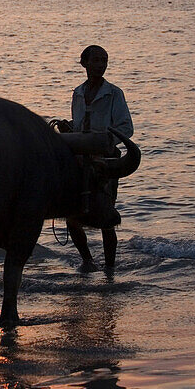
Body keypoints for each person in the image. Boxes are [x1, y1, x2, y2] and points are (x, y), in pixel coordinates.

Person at [66, 45, 133, 270]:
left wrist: (105, 142)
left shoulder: (114, 93)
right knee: (72, 218)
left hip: (104, 163)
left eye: (104, 60)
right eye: (96, 60)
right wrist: (70, 131)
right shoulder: (77, 93)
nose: (100, 65)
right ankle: (87, 260)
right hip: (79, 161)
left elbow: (126, 127)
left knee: (105, 215)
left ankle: (110, 268)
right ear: (84, 63)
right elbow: (77, 125)